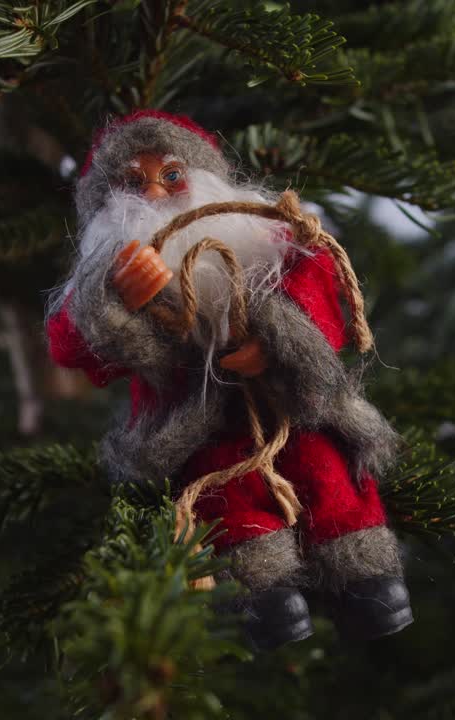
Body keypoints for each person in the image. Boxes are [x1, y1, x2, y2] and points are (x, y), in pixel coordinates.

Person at [47, 110, 411, 648]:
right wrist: (117, 303)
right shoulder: (111, 276)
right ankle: (265, 600)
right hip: (196, 423)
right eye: (134, 182)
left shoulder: (264, 238)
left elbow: (316, 286)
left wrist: (281, 342)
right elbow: (70, 346)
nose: (155, 194)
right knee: (230, 500)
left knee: (328, 472)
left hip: (290, 403)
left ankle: (368, 581)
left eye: (172, 175)